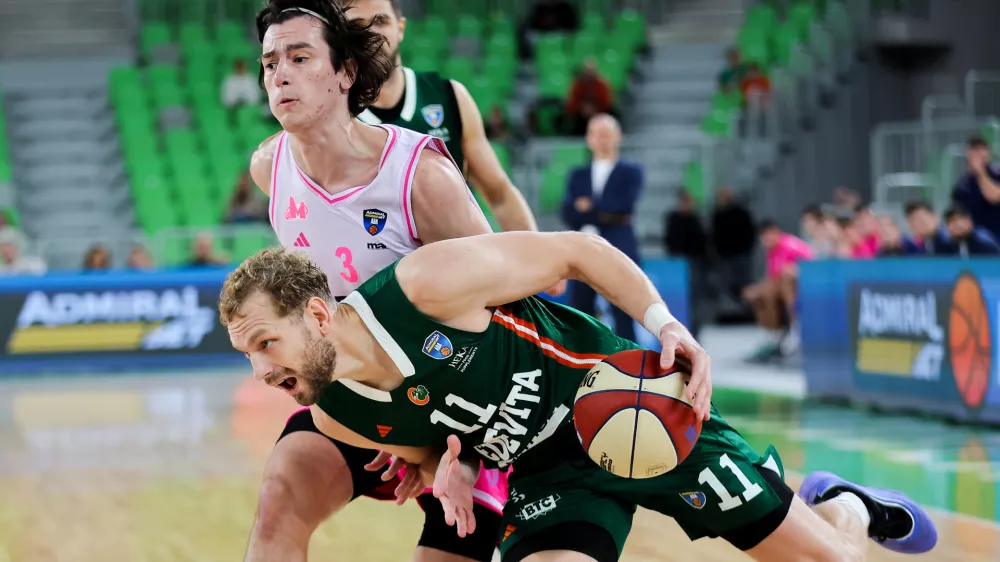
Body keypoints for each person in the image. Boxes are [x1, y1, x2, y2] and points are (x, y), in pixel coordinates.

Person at [220, 233, 937, 562]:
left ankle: (842, 506)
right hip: (549, 480)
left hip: (630, 406)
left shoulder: (423, 288)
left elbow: (578, 253)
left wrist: (665, 325)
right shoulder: (338, 411)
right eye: (246, 354)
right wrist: (455, 469)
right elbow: (444, 448)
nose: (259, 371)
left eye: (264, 343)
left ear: (316, 314)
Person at [244, 2, 566, 561]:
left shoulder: (420, 170)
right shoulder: (269, 166)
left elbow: (504, 305)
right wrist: (373, 417)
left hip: (458, 410)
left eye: (298, 57)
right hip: (357, 395)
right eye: (271, 62)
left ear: (346, 69)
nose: (281, 74)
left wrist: (441, 445)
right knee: (279, 500)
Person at [345, 0, 543, 240]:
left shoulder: (450, 96)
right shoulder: (335, 110)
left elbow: (499, 195)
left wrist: (541, 262)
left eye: (380, 21)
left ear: (400, 27)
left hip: (455, 263)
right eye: (357, 26)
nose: (372, 33)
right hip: (379, 271)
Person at [560, 114, 642, 341]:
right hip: (582, 250)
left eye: (607, 134)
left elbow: (623, 206)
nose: (602, 140)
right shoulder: (578, 174)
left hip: (619, 247)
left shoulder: (631, 171)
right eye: (597, 134)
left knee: (624, 310)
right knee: (579, 312)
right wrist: (603, 213)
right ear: (589, 139)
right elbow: (567, 211)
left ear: (618, 137)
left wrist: (588, 207)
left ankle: (630, 366)